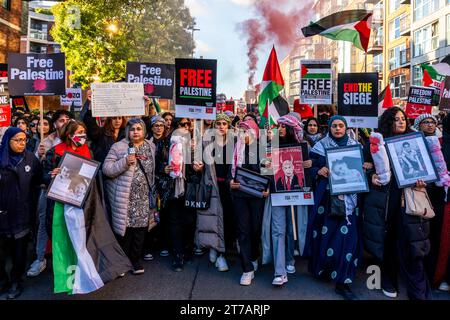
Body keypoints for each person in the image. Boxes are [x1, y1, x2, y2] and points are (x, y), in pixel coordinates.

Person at [363, 107, 432, 300]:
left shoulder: (415, 140)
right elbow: (362, 167)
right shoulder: (376, 142)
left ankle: (418, 290)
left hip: (411, 201)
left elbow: (428, 169)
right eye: (396, 119)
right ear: (388, 122)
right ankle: (388, 280)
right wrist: (371, 176)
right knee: (389, 243)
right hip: (386, 202)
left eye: (403, 118)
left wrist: (423, 181)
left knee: (412, 244)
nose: (401, 122)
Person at [305, 115, 362, 300]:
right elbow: (309, 166)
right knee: (326, 237)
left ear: (346, 128)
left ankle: (343, 282)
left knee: (347, 240)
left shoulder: (356, 147)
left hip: (350, 201)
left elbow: (363, 170)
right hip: (327, 201)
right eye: (334, 126)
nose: (338, 129)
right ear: (329, 128)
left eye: (341, 125)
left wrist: (367, 166)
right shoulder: (320, 146)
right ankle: (323, 269)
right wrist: (318, 171)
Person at [261, 113, 311, 287]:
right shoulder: (270, 146)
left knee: (293, 228)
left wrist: (308, 166)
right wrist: (265, 167)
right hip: (277, 194)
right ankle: (279, 271)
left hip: (297, 195)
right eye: (279, 126)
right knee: (278, 230)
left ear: (292, 128)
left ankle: (290, 258)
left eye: (283, 126)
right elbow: (264, 172)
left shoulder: (303, 146)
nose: (280, 129)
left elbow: (309, 173)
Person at [103, 118, 156, 275]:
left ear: (144, 131)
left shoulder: (150, 146)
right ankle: (121, 263)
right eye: (132, 129)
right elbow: (107, 169)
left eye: (139, 129)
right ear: (128, 131)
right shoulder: (118, 147)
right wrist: (125, 162)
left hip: (143, 197)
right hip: (124, 197)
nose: (136, 132)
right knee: (124, 231)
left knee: (140, 230)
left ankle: (135, 260)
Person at [0, 127, 42, 299]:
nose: (21, 143)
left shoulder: (30, 159)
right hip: (2, 215)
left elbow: (40, 179)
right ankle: (3, 281)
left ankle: (17, 281)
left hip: (22, 214)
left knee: (19, 253)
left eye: (24, 140)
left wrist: (52, 175)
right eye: (17, 140)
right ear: (7, 141)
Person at [229, 120, 269, 285]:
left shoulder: (262, 149)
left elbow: (269, 171)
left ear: (253, 132)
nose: (242, 134)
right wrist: (230, 182)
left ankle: (253, 256)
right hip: (239, 197)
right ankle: (247, 269)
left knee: (255, 229)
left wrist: (268, 188)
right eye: (240, 131)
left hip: (257, 197)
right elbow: (228, 173)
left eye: (245, 131)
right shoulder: (234, 149)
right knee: (243, 231)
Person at [161, 118, 202, 271]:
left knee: (189, 221)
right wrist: (163, 168)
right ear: (176, 127)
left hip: (189, 188)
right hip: (172, 189)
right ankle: (177, 255)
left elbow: (201, 166)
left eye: (188, 124)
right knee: (174, 222)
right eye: (182, 124)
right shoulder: (166, 143)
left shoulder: (194, 144)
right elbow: (159, 161)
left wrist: (198, 168)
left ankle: (188, 250)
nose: (185, 127)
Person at [195, 113, 235, 272]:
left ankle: (221, 253)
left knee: (227, 221)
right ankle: (217, 251)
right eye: (218, 123)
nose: (221, 127)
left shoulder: (235, 143)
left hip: (228, 188)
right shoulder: (205, 142)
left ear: (228, 126)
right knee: (212, 221)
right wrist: (197, 166)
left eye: (224, 124)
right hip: (211, 187)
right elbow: (198, 163)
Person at [415, 113, 448, 291]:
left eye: (432, 122)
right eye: (425, 122)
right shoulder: (414, 142)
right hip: (418, 191)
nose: (429, 125)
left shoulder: (441, 143)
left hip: (437, 194)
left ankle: (432, 271)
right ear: (419, 125)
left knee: (434, 233)